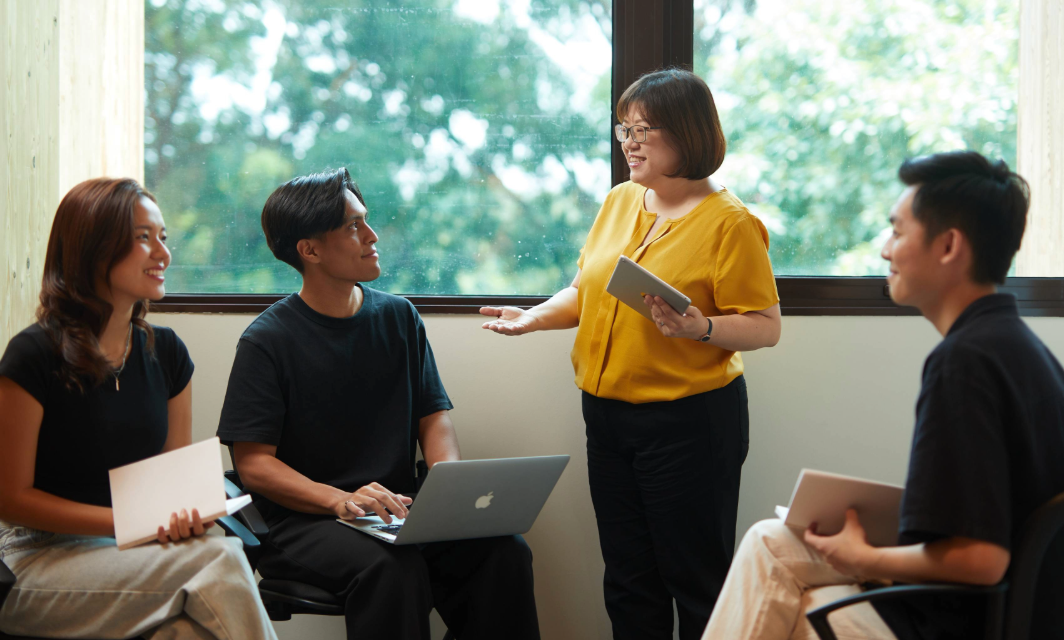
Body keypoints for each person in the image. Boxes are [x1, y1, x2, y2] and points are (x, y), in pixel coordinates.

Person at [700, 151, 1064, 640]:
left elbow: (982, 558)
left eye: (897, 231)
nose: (884, 250)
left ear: (949, 246)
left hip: (959, 621)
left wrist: (864, 557)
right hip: (1006, 616)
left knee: (776, 558)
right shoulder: (1023, 351)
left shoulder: (964, 363)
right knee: (802, 589)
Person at [481, 68, 782, 640]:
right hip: (607, 416)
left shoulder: (731, 223)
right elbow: (583, 289)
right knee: (627, 579)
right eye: (624, 129)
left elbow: (766, 327)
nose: (630, 142)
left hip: (689, 423)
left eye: (645, 129)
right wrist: (532, 319)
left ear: (690, 134)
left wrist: (701, 328)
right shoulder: (621, 200)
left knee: (694, 580)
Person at [216, 168, 540, 640]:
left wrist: (447, 486)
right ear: (309, 250)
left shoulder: (399, 317)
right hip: (306, 521)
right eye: (352, 226)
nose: (371, 236)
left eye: (365, 221)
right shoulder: (267, 340)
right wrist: (341, 500)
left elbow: (434, 418)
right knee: (394, 567)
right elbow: (254, 466)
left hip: (397, 512)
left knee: (504, 552)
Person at [0, 178, 276, 639]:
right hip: (35, 562)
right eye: (143, 238)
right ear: (93, 247)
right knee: (219, 557)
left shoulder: (167, 354)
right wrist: (125, 522)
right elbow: (10, 498)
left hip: (133, 555)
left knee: (186, 632)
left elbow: (170, 488)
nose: (163, 254)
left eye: (163, 238)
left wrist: (180, 516)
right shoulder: (33, 355)